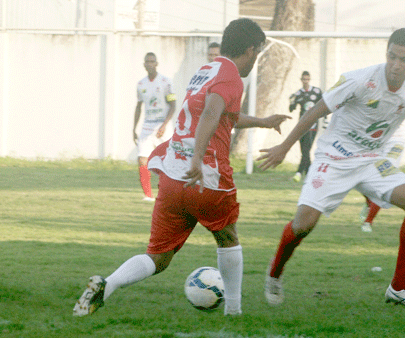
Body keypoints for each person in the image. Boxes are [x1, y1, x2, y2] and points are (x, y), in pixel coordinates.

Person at [257, 28, 405, 309]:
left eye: (403, 59)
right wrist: (284, 147)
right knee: (303, 225)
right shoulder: (360, 79)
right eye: (392, 56)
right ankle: (275, 273)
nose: (395, 65)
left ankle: (399, 289)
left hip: (371, 160)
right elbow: (316, 111)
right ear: (386, 53)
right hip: (334, 157)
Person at [73, 18, 290, 317]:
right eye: (258, 53)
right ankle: (235, 313)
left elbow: (223, 115)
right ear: (250, 49)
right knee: (228, 238)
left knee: (159, 257)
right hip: (204, 174)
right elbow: (212, 113)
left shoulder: (207, 70)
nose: (256, 60)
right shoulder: (231, 77)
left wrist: (263, 122)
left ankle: (106, 285)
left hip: (174, 175)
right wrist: (198, 159)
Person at [360, 117, 405, 232]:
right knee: (363, 173)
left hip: (397, 141)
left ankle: (368, 221)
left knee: (385, 177)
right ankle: (370, 202)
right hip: (377, 137)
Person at [133, 52, 177, 201]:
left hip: (162, 127)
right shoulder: (140, 84)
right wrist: (134, 128)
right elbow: (139, 106)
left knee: (168, 161)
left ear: (156, 64)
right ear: (144, 65)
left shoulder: (166, 82)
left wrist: (164, 125)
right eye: (147, 61)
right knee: (142, 159)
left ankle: (169, 193)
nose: (150, 64)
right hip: (147, 127)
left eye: (152, 61)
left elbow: (173, 105)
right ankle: (148, 195)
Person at [288, 71, 323, 182]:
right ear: (301, 80)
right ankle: (309, 174)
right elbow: (291, 109)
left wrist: (325, 120)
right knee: (304, 150)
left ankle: (298, 172)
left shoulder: (317, 92)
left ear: (310, 79)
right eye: (304, 79)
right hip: (302, 125)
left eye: (307, 79)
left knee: (306, 149)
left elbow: (324, 105)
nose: (305, 81)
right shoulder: (299, 94)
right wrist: (291, 101)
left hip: (313, 125)